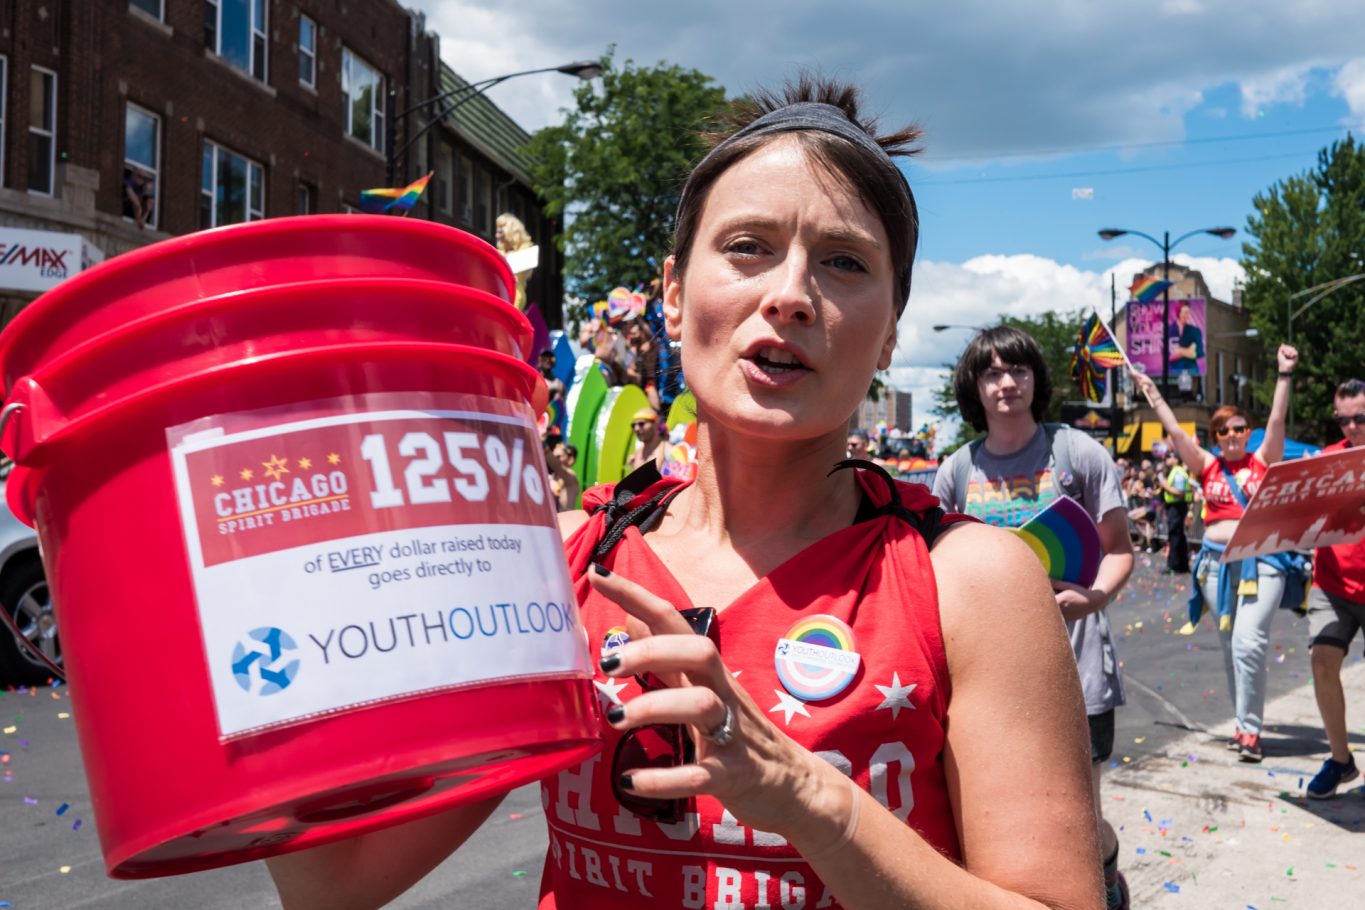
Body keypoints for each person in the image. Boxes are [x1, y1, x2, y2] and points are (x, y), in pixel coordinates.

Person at [266, 76, 1101, 910]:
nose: (789, 294)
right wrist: (265, 637)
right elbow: (334, 883)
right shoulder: (560, 564)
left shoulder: (968, 579)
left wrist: (810, 801)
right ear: (671, 295)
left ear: (888, 334)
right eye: (747, 246)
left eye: (844, 262)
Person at [932, 325, 1135, 910]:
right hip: (987, 677)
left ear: (1034, 380)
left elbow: (1118, 549)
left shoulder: (1078, 453)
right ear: (975, 387)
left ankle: (1105, 881)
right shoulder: (957, 472)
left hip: (1078, 666)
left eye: (1017, 370)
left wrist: (1094, 597)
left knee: (1082, 815)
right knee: (996, 817)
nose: (1006, 382)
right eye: (991, 372)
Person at [1131, 344, 1298, 763]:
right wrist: (1152, 393)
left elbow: (1277, 421)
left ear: (1247, 431)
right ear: (1216, 437)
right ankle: (1244, 726)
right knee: (1231, 647)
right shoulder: (1206, 465)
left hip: (1262, 564)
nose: (1232, 436)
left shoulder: (1264, 460)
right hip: (1213, 566)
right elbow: (1175, 432)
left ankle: (1251, 731)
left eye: (1239, 429)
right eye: (1223, 431)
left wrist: (1284, 374)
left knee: (1248, 642)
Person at [1305, 378, 1365, 798]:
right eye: (1342, 420)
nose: (1351, 427)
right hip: (1333, 582)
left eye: (1360, 418)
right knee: (1322, 659)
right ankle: (1341, 760)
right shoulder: (1325, 462)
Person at [1158, 450, 1193, 573]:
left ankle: (1174, 565)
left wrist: (1164, 485)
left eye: (1169, 457)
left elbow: (1179, 492)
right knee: (1177, 535)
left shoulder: (1178, 472)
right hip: (1175, 506)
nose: (1166, 459)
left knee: (1175, 535)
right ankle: (1181, 564)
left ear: (1176, 460)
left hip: (1177, 507)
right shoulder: (1175, 471)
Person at [495, 212, 536, 312]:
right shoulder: (499, 252)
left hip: (516, 298)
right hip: (500, 297)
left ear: (510, 232)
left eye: (500, 232)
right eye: (497, 232)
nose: (497, 236)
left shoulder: (526, 249)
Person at [1168, 301, 1203, 376]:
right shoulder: (1168, 331)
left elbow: (1198, 352)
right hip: (1173, 370)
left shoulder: (1195, 331)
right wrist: (1188, 351)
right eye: (1185, 312)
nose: (1187, 315)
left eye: (1188, 312)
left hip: (1191, 370)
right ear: (1178, 312)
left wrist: (1180, 351)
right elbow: (1167, 356)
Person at [626, 407, 665, 471]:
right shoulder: (636, 454)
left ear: (655, 424)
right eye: (633, 425)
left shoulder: (665, 450)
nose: (636, 429)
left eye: (641, 424)